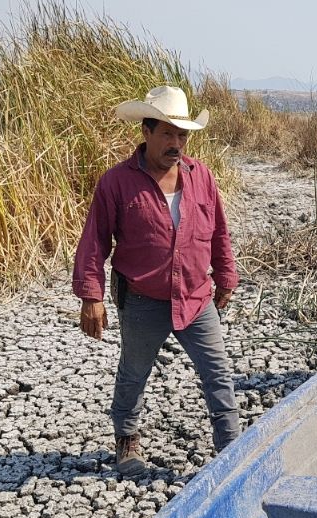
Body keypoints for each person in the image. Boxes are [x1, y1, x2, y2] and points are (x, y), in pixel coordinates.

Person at [73, 85, 240, 475]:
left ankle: (232, 451)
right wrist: (90, 295)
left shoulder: (202, 177)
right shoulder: (116, 183)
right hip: (143, 300)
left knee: (218, 372)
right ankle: (127, 442)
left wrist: (226, 276)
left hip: (196, 297)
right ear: (146, 132)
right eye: (167, 133)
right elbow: (94, 240)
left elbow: (218, 232)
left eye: (182, 135)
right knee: (134, 371)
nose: (176, 143)